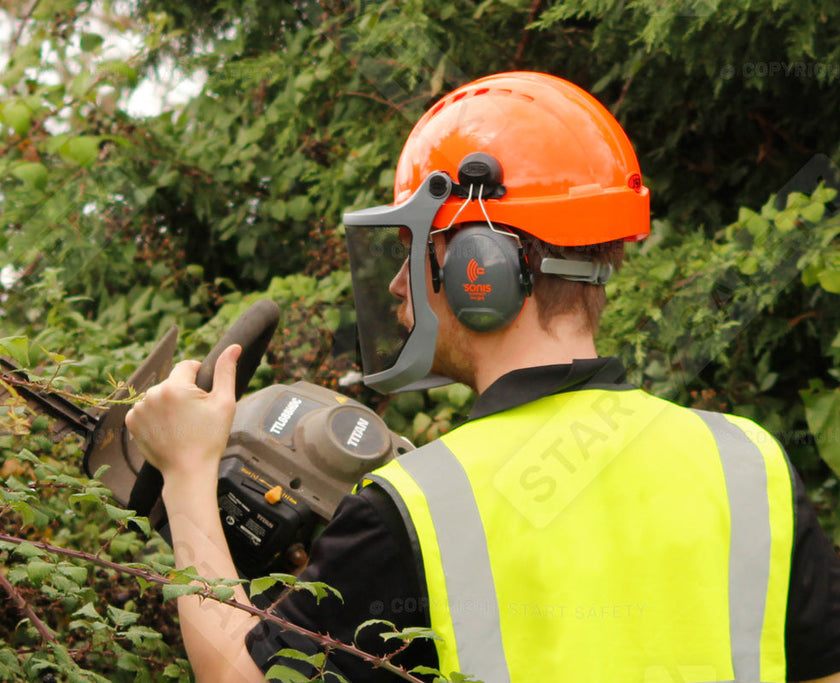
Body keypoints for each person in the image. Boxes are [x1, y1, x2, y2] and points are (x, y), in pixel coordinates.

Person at [125, 72, 840, 683]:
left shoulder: (417, 510)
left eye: (414, 247)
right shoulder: (752, 464)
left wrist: (186, 472)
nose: (397, 285)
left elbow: (240, 674)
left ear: (481, 265)